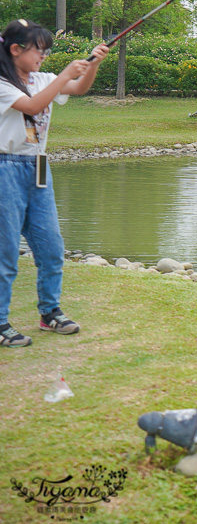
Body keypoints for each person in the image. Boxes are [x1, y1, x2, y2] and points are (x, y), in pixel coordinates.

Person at [0, 19, 108, 347]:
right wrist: (64, 74)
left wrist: (92, 63)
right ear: (15, 49)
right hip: (6, 168)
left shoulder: (42, 78)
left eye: (47, 51)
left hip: (39, 167)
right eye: (39, 50)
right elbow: (33, 105)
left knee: (51, 247)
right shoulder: (3, 83)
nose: (44, 57)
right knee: (5, 252)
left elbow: (78, 89)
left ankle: (50, 312)